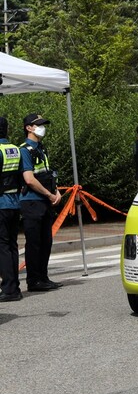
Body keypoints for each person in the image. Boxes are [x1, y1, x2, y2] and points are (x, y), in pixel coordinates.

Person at [20, 113, 62, 292]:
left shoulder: (41, 149)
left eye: (43, 124)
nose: (42, 128)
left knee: (46, 241)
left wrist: (56, 191)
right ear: (29, 128)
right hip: (31, 202)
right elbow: (29, 179)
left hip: (44, 200)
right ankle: (33, 280)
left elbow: (47, 174)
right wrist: (49, 195)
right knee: (34, 242)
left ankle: (43, 277)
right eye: (38, 125)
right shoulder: (24, 149)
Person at [0, 117, 23, 302]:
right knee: (12, 245)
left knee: (3, 247)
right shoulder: (15, 149)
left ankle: (9, 289)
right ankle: (15, 285)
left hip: (1, 203)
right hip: (15, 202)